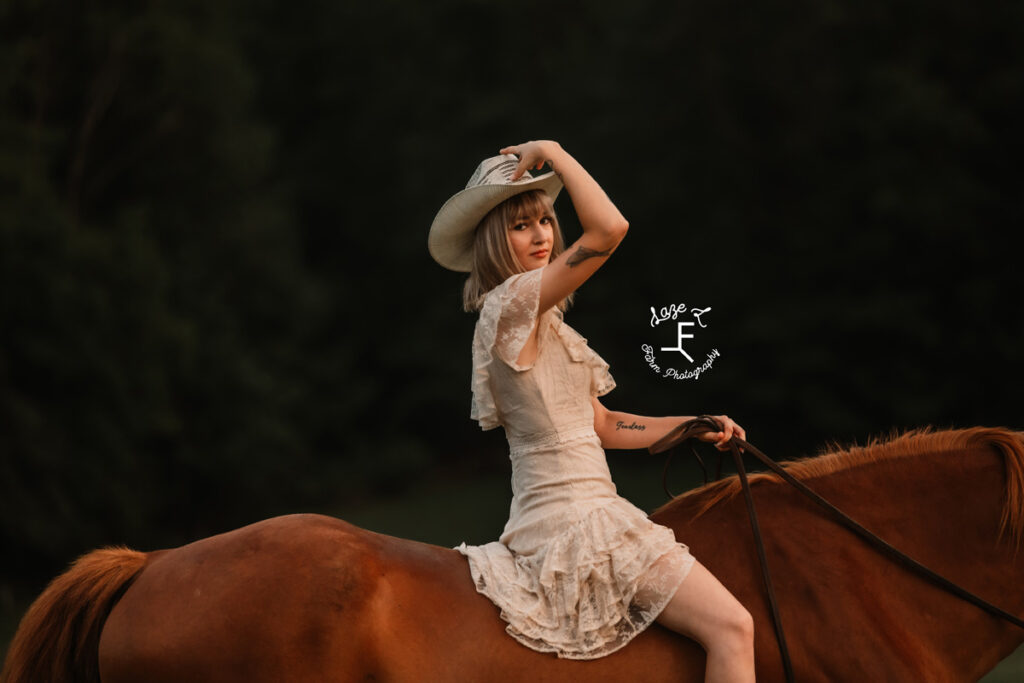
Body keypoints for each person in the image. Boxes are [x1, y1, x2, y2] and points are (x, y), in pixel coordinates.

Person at [428, 140, 755, 681]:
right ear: (493, 239)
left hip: (579, 512)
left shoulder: (540, 317)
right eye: (521, 226)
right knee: (734, 628)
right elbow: (609, 229)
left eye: (544, 221)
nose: (541, 236)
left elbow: (599, 424)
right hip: (576, 520)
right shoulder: (512, 304)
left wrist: (691, 425)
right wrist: (552, 151)